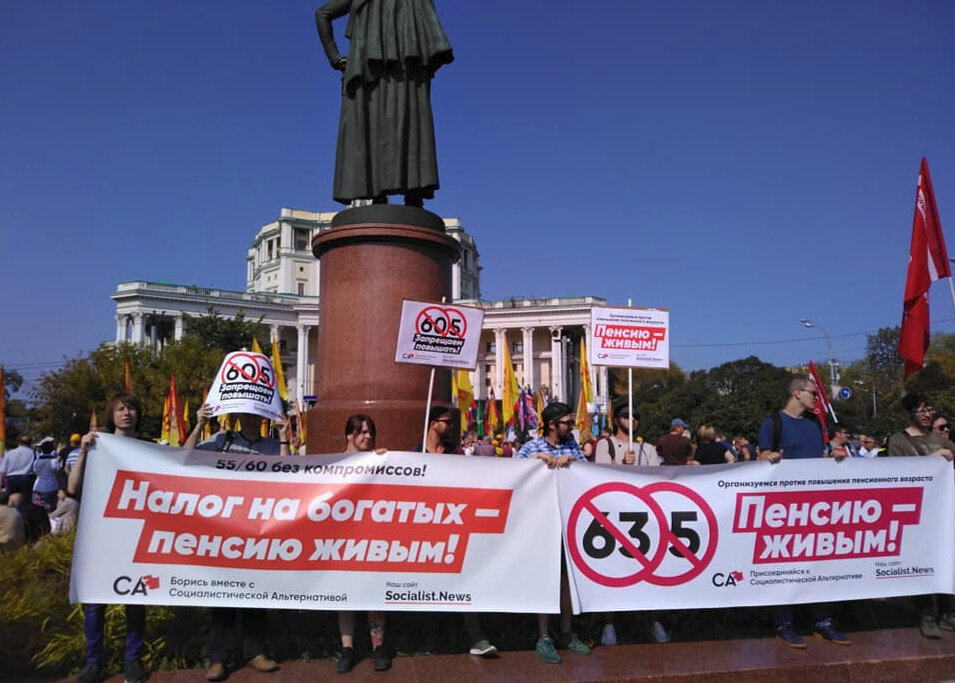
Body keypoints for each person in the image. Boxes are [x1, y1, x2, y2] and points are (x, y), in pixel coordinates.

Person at [314, 0, 453, 207]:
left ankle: (376, 192)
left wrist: (335, 57)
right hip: (405, 72)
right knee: (408, 125)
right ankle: (413, 192)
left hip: (370, 73)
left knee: (372, 126)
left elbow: (322, 14)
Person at [185, 404, 285, 681]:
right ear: (238, 417)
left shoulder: (272, 446)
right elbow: (186, 454)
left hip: (258, 530)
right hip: (224, 529)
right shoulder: (221, 441)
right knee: (223, 595)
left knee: (255, 593)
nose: (252, 419)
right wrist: (198, 424)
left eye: (256, 414)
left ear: (263, 417)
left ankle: (256, 653)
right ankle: (219, 659)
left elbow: (292, 473)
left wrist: (285, 437)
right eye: (247, 414)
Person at [757, 376, 850, 648]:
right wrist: (769, 457)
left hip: (815, 507)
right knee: (784, 567)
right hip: (782, 509)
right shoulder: (772, 423)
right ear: (797, 393)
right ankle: (783, 622)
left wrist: (832, 458)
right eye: (813, 394)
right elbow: (760, 458)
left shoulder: (814, 425)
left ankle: (823, 621)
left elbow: (816, 459)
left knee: (819, 564)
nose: (817, 399)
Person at [68, 393, 150, 683]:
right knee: (95, 602)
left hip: (134, 534)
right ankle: (94, 663)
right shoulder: (97, 446)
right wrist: (83, 452)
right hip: (100, 535)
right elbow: (73, 487)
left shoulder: (149, 449)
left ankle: (133, 661)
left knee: (136, 599)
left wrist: (198, 424)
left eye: (131, 408)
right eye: (121, 409)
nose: (127, 413)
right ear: (111, 415)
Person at [416, 405, 499, 659]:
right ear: (432, 424)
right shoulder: (414, 452)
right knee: (428, 585)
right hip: (423, 528)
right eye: (447, 422)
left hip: (453, 525)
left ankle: (476, 637)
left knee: (464, 580)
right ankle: (430, 639)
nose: (452, 427)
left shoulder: (455, 452)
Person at [515, 402, 591, 664]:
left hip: (568, 521)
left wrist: (575, 464)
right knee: (544, 578)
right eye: (567, 423)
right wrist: (535, 461)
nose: (571, 427)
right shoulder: (532, 446)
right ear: (551, 425)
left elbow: (588, 474)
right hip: (539, 521)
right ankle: (544, 636)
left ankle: (568, 632)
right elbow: (510, 472)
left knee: (567, 579)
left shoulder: (573, 446)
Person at [592, 405, 669, 646]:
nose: (633, 420)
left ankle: (654, 620)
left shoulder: (648, 448)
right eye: (627, 416)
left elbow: (657, 476)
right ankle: (609, 623)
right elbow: (598, 474)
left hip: (643, 516)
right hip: (614, 514)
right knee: (613, 570)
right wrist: (620, 464)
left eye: (636, 416)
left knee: (649, 569)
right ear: (617, 420)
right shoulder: (606, 445)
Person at [885, 393, 955, 639]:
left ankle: (948, 613)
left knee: (947, 562)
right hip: (917, 513)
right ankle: (926, 615)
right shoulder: (898, 441)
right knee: (923, 565)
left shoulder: (940, 439)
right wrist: (932, 461)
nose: (928, 414)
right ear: (910, 413)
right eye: (922, 410)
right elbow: (900, 475)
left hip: (944, 511)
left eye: (930, 409)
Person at [336, 414, 391, 673]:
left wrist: (384, 462)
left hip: (371, 536)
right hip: (341, 539)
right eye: (362, 432)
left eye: (371, 433)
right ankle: (347, 649)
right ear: (349, 435)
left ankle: (378, 647)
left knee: (373, 593)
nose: (368, 437)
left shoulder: (377, 460)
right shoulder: (332, 464)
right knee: (344, 595)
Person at [32, 436, 61, 515]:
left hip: (38, 488)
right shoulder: (54, 461)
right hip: (51, 487)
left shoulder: (36, 462)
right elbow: (58, 474)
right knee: (50, 512)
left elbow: (35, 473)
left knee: (38, 512)